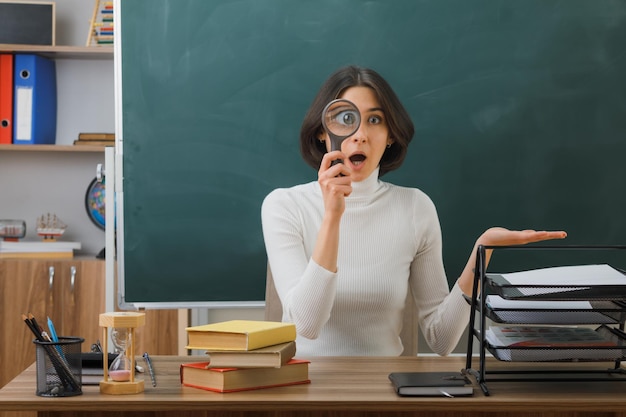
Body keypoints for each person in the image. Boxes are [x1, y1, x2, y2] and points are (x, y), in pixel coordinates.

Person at [261, 65, 567, 356]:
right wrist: (332, 216)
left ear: (391, 134)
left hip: (386, 391)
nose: (360, 135)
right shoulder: (284, 206)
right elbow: (306, 326)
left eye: (375, 120)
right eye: (345, 118)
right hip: (304, 389)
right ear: (322, 132)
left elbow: (441, 340)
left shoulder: (415, 208)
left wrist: (481, 252)